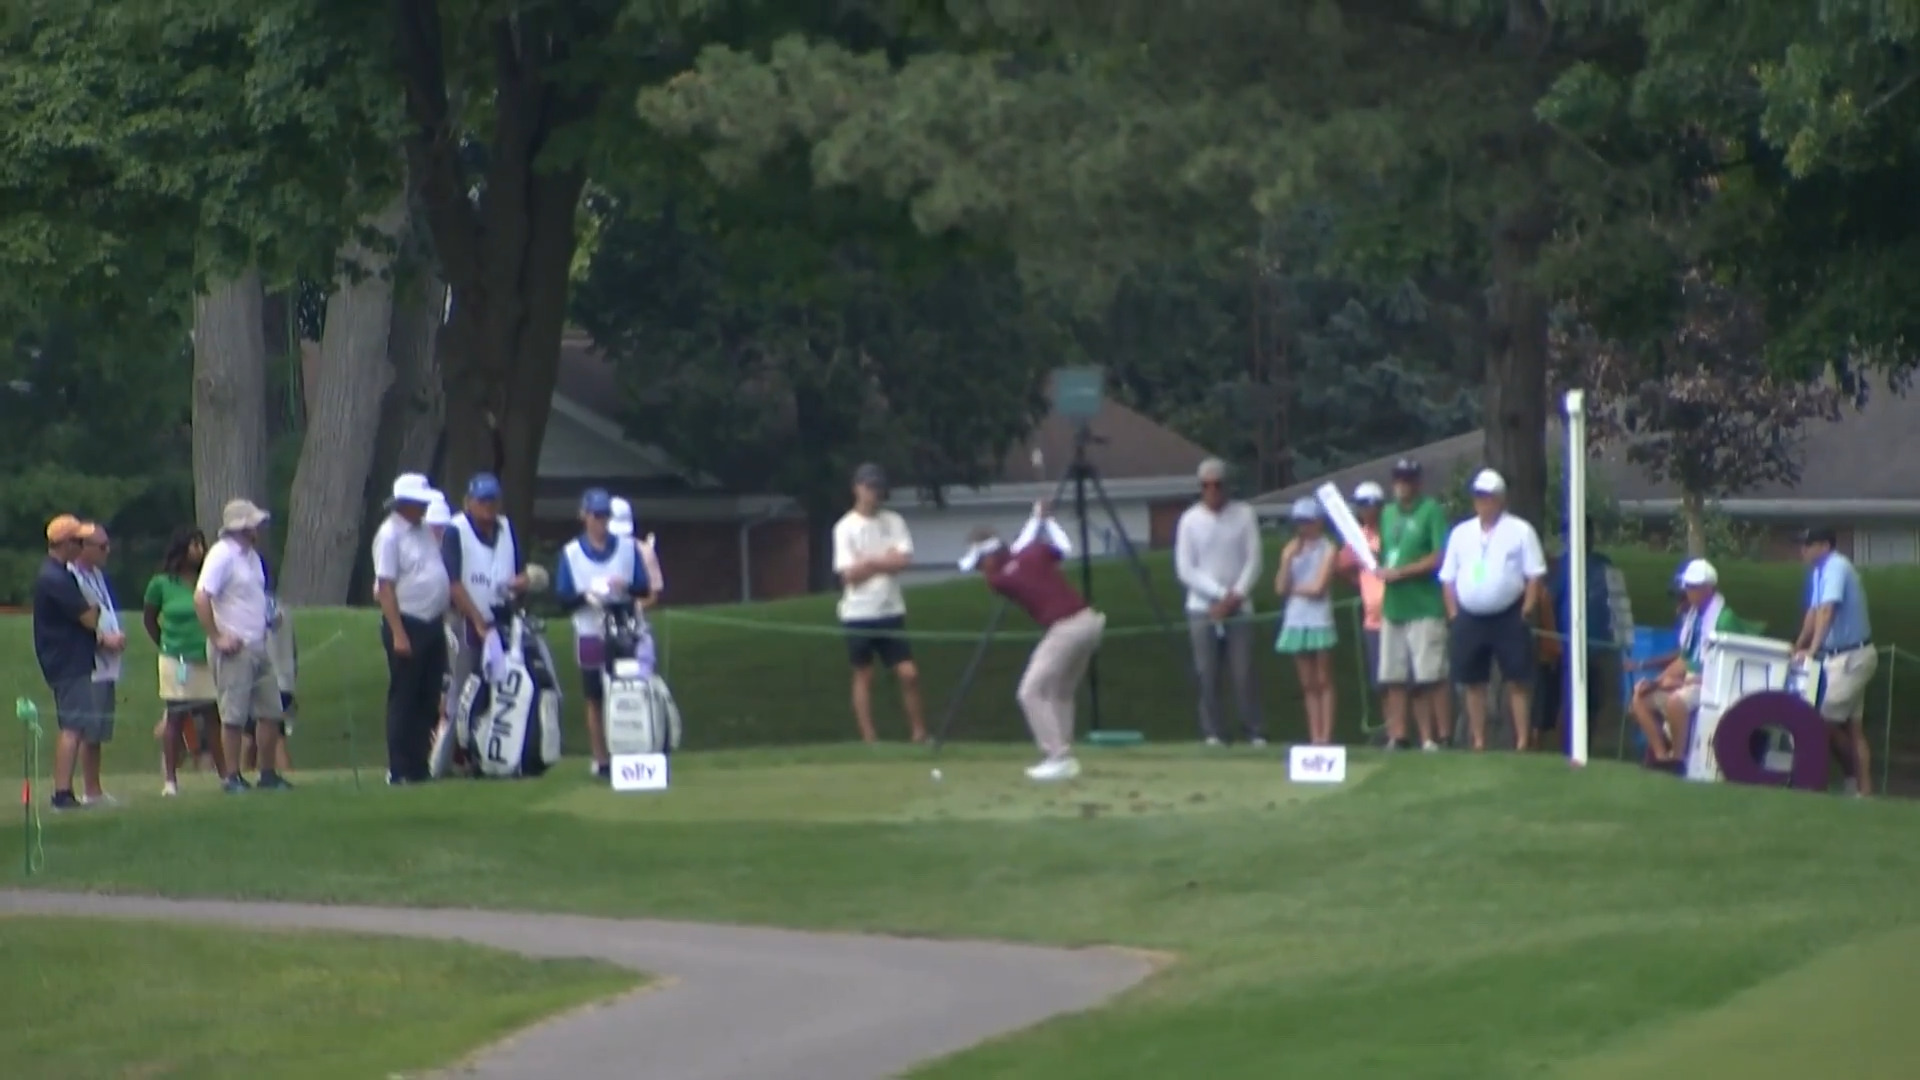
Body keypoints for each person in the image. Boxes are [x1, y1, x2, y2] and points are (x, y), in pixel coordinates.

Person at [958, 501, 1105, 781]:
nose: (980, 569)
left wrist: (1037, 520)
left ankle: (1057, 756)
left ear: (990, 557)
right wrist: (1044, 521)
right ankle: (1065, 757)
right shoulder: (1032, 555)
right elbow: (1064, 547)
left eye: (980, 562)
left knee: (1029, 691)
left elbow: (1015, 553)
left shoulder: (999, 579)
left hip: (1067, 628)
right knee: (1060, 692)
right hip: (1090, 622)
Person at [1438, 469, 1547, 751]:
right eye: (1479, 497)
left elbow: (1534, 574)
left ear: (1500, 500)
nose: (1483, 502)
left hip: (1509, 614)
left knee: (1517, 679)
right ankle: (1478, 739)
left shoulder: (1520, 530)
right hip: (1469, 616)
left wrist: (1527, 608)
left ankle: (1522, 741)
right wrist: (1453, 612)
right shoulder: (1461, 533)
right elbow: (1448, 577)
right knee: (1473, 681)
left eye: (1488, 497)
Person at [554, 487, 653, 777]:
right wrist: (586, 595)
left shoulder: (626, 548)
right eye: (596, 516)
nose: (601, 522)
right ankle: (602, 759)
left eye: (605, 516)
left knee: (628, 688)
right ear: (584, 516)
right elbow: (563, 598)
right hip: (589, 630)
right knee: (594, 696)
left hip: (623, 626)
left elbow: (643, 587)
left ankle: (632, 750)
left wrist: (624, 586)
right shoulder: (571, 553)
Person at [195, 499, 292, 792]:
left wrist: (268, 616)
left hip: (258, 643)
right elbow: (202, 597)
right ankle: (232, 775)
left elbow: (253, 596)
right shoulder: (221, 555)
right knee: (234, 714)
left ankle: (267, 773)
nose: (258, 529)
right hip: (234, 647)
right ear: (241, 527)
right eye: (254, 524)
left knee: (271, 711)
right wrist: (217, 637)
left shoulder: (252, 557)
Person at [832, 463, 927, 744]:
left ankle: (919, 732)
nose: (874, 493)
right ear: (857, 488)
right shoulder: (845, 527)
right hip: (858, 613)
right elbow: (849, 575)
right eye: (869, 487)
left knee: (909, 673)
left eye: (878, 488)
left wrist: (870, 562)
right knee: (864, 674)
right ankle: (869, 737)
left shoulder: (893, 521)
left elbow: (903, 560)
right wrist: (882, 561)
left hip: (890, 610)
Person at [1174, 457, 1265, 747]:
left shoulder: (1244, 514)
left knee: (1243, 671)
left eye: (1217, 485)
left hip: (1239, 605)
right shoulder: (1189, 520)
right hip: (1202, 607)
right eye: (1206, 486)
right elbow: (1185, 568)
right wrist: (1217, 594)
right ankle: (1213, 731)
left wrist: (1235, 595)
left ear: (1227, 486)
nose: (1212, 490)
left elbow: (1254, 560)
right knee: (1206, 672)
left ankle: (1254, 729)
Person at [372, 473, 452, 785]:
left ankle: (419, 763)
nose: (423, 508)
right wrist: (398, 633)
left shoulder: (421, 532)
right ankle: (399, 766)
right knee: (404, 696)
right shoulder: (390, 535)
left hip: (432, 622)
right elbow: (386, 587)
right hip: (407, 622)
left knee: (428, 695)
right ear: (405, 504)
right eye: (419, 503)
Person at [442, 472, 527, 749]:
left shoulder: (506, 529)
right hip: (467, 618)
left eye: (492, 501)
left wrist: (521, 583)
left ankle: (490, 745)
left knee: (499, 685)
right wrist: (477, 620)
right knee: (465, 682)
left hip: (502, 615)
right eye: (482, 501)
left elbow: (519, 571)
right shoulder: (456, 531)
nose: (488, 506)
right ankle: (457, 748)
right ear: (469, 502)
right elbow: (454, 583)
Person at [1792, 526, 1878, 796]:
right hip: (1840, 658)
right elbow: (1814, 612)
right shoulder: (1819, 572)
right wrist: (1798, 646)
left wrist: (1813, 648)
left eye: (1808, 544)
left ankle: (1817, 781)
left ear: (1825, 546)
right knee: (1853, 728)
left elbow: (1828, 610)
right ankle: (1862, 790)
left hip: (1851, 656)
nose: (1802, 550)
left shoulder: (1836, 567)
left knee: (1819, 719)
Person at [144, 527, 229, 796]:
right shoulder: (161, 583)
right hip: (175, 658)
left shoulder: (207, 580)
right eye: (194, 544)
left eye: (201, 544)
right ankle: (170, 780)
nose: (200, 550)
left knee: (211, 715)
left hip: (204, 656)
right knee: (176, 715)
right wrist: (165, 643)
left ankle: (225, 774)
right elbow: (149, 618)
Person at [1376, 459, 1452, 750]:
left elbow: (1437, 557)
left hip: (1423, 605)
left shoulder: (1430, 510)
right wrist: (1380, 568)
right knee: (1393, 675)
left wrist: (1402, 572)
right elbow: (1386, 551)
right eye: (1398, 479)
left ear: (1418, 482)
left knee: (1430, 674)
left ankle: (1441, 735)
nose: (1402, 485)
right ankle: (1398, 734)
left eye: (1407, 480)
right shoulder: (1387, 513)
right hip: (1394, 605)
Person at [1632, 559, 1738, 765]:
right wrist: (1656, 682)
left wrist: (1680, 683)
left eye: (1693, 587)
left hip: (1711, 685)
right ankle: (1661, 756)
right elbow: (1686, 659)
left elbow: (1719, 669)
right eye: (1688, 587)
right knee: (1640, 699)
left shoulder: (1723, 620)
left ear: (1708, 589)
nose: (1688, 591)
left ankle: (1678, 759)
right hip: (1693, 681)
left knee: (1676, 701)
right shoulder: (1694, 617)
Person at [1537, 521, 1624, 753]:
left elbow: (1616, 601)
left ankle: (1586, 746)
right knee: (1567, 702)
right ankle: (1566, 748)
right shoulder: (1561, 568)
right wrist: (1553, 643)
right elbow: (1548, 603)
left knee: (1594, 702)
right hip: (1567, 648)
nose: (1587, 538)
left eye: (1589, 533)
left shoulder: (1604, 565)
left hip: (1599, 647)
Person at [32, 516, 101, 811]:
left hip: (69, 659)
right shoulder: (55, 578)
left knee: (75, 724)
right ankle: (62, 792)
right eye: (79, 541)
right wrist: (94, 607)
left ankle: (64, 791)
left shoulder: (59, 574)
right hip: (67, 660)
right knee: (72, 725)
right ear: (66, 544)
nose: (83, 546)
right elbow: (88, 618)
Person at [69, 521, 128, 805]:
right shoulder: (71, 576)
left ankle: (95, 787)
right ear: (84, 548)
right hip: (90, 659)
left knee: (100, 728)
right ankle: (87, 790)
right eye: (102, 547)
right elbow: (78, 618)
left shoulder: (96, 574)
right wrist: (104, 639)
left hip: (107, 661)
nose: (108, 551)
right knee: (87, 727)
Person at [1274, 497, 1339, 745]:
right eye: (1300, 522)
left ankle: (1326, 735)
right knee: (1308, 683)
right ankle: (1315, 735)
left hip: (1318, 618)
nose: (1304, 528)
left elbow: (1318, 588)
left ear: (1318, 522)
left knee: (1324, 679)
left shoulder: (1327, 548)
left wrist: (1294, 588)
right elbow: (1280, 587)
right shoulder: (1291, 550)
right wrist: (1287, 560)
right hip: (1296, 619)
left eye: (1308, 522)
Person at [243, 552, 296, 776]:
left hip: (262, 678)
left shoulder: (254, 609)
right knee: (274, 734)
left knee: (250, 736)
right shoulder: (281, 607)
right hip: (285, 680)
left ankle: (242, 774)